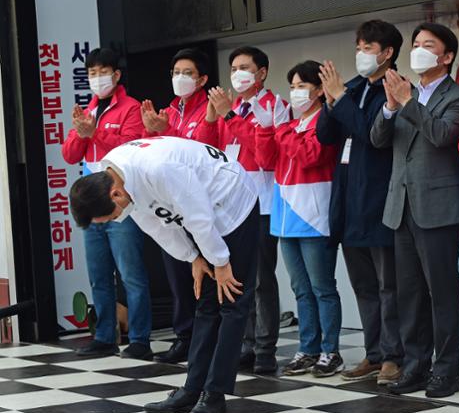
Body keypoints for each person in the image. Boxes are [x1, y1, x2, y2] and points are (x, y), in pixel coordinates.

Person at [69, 137, 259, 413]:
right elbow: (158, 227)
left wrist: (219, 262)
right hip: (202, 213)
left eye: (110, 217)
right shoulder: (117, 175)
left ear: (115, 195)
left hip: (231, 202)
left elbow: (198, 216)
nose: (113, 221)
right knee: (206, 304)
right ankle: (193, 389)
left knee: (231, 300)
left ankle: (215, 395)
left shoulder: (158, 169)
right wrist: (194, 257)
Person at [371, 23, 459, 397]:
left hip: (438, 207)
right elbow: (378, 140)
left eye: (427, 45)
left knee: (442, 292)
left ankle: (447, 371)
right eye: (415, 44)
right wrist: (388, 107)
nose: (418, 50)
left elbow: (443, 136)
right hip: (401, 206)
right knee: (409, 294)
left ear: (446, 56)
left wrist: (408, 102)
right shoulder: (404, 95)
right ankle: (415, 366)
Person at [315, 20, 404, 385]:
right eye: (359, 46)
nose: (361, 53)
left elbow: (372, 134)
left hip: (380, 199)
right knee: (364, 285)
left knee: (388, 285)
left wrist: (342, 99)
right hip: (349, 202)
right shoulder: (350, 88)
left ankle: (394, 356)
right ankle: (373, 352)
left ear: (387, 53)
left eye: (369, 47)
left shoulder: (395, 89)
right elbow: (325, 136)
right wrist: (329, 99)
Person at [61, 48, 152, 360]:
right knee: (99, 275)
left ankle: (140, 339)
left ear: (116, 75)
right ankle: (104, 335)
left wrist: (95, 133)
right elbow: (70, 154)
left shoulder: (131, 107)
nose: (96, 79)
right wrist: (81, 134)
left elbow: (133, 147)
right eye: (91, 73)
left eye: (102, 72)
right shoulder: (89, 109)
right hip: (92, 205)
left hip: (119, 203)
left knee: (131, 274)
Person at [253, 61, 342, 377]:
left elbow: (311, 156)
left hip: (314, 214)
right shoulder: (288, 126)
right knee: (300, 288)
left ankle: (330, 351)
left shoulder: (326, 121)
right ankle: (308, 348)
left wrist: (279, 131)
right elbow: (265, 160)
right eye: (292, 86)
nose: (296, 92)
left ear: (319, 90)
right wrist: (266, 131)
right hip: (285, 214)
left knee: (322, 287)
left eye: (302, 85)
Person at [196, 46, 280, 374]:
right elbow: (206, 147)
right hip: (229, 207)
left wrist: (230, 115)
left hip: (261, 204)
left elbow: (265, 155)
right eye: (233, 68)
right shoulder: (228, 107)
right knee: (236, 277)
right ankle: (244, 342)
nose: (237, 73)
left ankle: (265, 348)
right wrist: (214, 116)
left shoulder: (273, 106)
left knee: (261, 279)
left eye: (244, 67)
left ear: (261, 73)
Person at [140, 48, 212, 364]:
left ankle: (210, 337)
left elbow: (197, 150)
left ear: (203, 79)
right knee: (176, 273)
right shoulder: (168, 111)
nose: (179, 78)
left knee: (205, 273)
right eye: (175, 73)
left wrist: (163, 131)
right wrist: (152, 130)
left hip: (202, 203)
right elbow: (155, 153)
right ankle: (184, 336)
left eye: (187, 73)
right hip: (170, 205)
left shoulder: (209, 108)